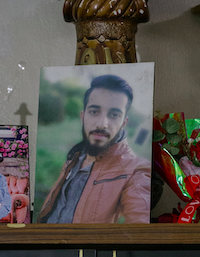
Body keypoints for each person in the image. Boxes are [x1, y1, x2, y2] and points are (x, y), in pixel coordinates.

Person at [38, 74, 151, 224]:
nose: (102, 124)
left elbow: (140, 226)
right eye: (94, 112)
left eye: (114, 115)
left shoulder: (136, 170)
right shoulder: (75, 156)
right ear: (82, 116)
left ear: (124, 122)